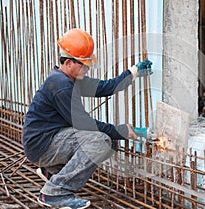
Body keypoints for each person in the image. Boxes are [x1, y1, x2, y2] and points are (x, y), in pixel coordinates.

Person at [22, 28, 153, 209]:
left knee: (109, 141)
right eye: (83, 65)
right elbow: (84, 123)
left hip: (50, 140)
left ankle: (53, 172)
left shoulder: (70, 79)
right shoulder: (60, 85)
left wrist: (133, 72)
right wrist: (121, 130)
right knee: (101, 141)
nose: (87, 68)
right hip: (42, 146)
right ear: (68, 63)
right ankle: (53, 192)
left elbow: (106, 87)